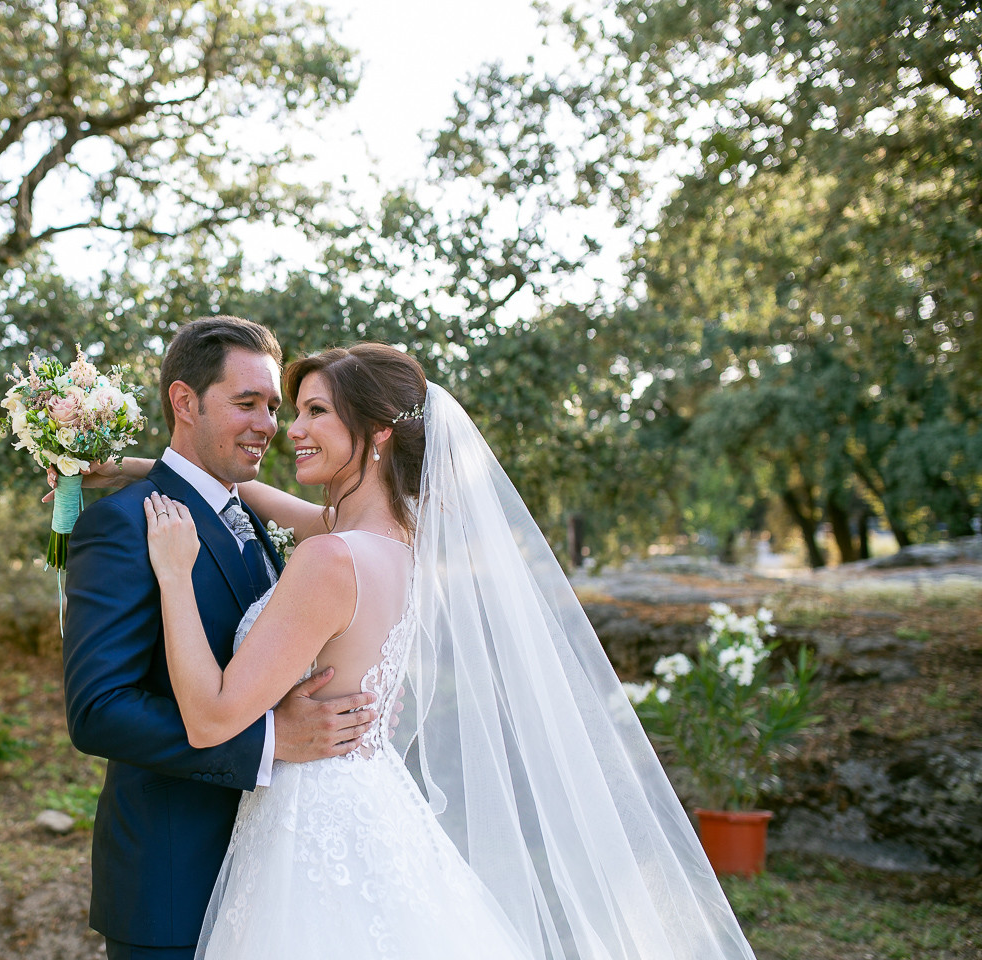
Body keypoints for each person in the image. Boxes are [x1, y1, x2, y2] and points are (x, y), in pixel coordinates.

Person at [140, 343, 761, 959]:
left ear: (377, 431)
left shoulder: (330, 558)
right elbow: (247, 496)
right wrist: (148, 471)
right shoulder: (392, 539)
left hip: (312, 819)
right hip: (367, 799)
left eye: (315, 412)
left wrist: (174, 575)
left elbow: (212, 717)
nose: (290, 430)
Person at [61, 317, 382, 960]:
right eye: (247, 403)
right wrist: (270, 738)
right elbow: (98, 712)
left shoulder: (254, 519)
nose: (270, 424)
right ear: (184, 402)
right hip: (172, 888)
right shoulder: (125, 525)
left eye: (273, 406)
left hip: (274, 874)